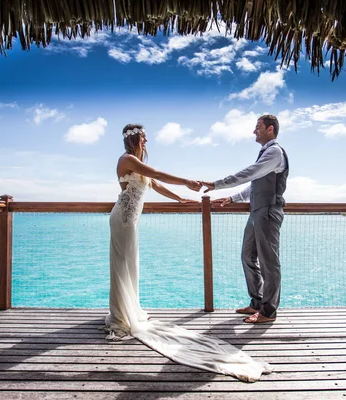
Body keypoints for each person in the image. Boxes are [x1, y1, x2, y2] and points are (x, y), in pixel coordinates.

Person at [103, 123, 272, 382]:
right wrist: (186, 182)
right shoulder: (127, 160)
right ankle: (121, 315)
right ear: (135, 138)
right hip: (122, 218)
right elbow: (157, 173)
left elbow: (156, 185)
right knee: (122, 264)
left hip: (131, 220)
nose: (146, 141)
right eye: (144, 138)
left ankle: (131, 309)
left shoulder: (136, 162)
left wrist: (179, 199)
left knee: (131, 264)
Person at [202, 115, 288, 324]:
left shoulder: (275, 152)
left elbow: (250, 173)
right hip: (256, 212)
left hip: (268, 211)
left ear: (270, 128)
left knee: (269, 263)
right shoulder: (265, 153)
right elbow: (255, 184)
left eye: (257, 127)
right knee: (247, 256)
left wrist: (217, 184)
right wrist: (233, 198)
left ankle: (268, 311)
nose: (254, 131)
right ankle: (257, 301)